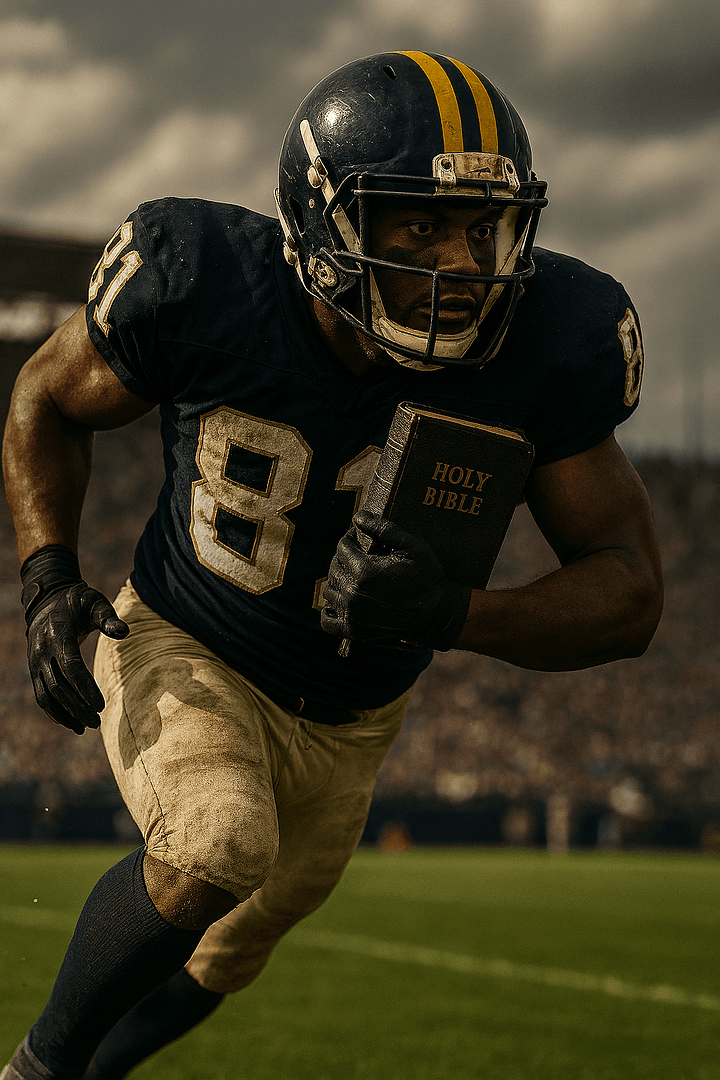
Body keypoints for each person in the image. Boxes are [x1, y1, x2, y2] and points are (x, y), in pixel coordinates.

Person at [1, 50, 663, 1079]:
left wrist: (454, 613)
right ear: (325, 227)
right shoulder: (204, 282)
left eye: (482, 227)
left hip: (356, 717)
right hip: (191, 638)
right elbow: (44, 397)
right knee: (217, 845)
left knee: (228, 952)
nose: (462, 262)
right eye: (420, 227)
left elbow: (630, 591)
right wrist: (47, 578)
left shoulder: (546, 340)